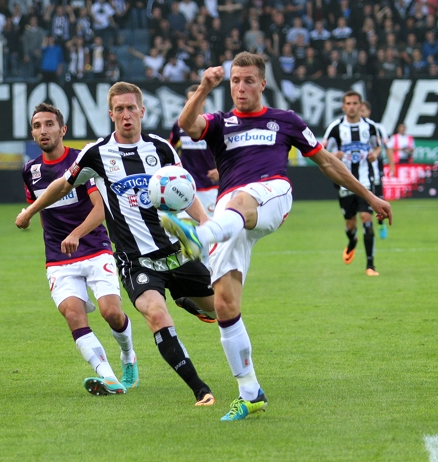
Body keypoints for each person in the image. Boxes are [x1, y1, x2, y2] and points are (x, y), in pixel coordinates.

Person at [159, 52, 392, 421]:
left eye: (248, 80)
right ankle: (250, 392)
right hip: (229, 215)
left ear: (263, 84)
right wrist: (205, 86)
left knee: (239, 200)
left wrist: (369, 195)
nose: (240, 87)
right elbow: (187, 124)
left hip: (271, 195)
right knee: (224, 305)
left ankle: (198, 237)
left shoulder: (285, 121)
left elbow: (328, 162)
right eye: (235, 81)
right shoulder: (220, 123)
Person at [15, 82, 218, 407]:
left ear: (142, 111)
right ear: (111, 114)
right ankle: (200, 389)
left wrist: (206, 223)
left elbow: (184, 191)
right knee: (155, 314)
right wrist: (29, 211)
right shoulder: (95, 153)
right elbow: (60, 185)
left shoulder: (161, 149)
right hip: (135, 261)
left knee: (223, 310)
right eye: (119, 109)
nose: (126, 115)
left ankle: (186, 297)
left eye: (131, 108)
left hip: (176, 252)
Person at [21, 103, 138, 396]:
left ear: (63, 130)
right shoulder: (30, 171)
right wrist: (28, 215)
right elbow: (40, 204)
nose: (43, 130)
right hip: (58, 259)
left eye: (49, 124)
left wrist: (76, 233)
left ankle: (128, 356)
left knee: (111, 312)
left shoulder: (81, 162)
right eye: (37, 126)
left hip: (95, 248)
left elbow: (101, 210)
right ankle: (109, 377)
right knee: (73, 314)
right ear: (33, 134)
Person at [323, 90, 384, 275]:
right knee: (351, 224)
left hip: (366, 180)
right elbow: (321, 152)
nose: (351, 107)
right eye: (348, 103)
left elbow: (378, 146)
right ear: (343, 107)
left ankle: (370, 265)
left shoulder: (371, 127)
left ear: (360, 106)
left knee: (366, 218)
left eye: (355, 103)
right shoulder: (335, 127)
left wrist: (375, 154)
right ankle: (351, 240)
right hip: (345, 183)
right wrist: (334, 155)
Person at [168, 84, 218, 219]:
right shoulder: (178, 125)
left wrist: (220, 170)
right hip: (185, 186)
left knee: (210, 228)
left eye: (198, 99)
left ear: (204, 100)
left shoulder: (213, 124)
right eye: (191, 100)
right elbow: (169, 148)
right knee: (185, 228)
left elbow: (227, 151)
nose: (194, 103)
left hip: (209, 186)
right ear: (186, 102)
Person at [360, 100, 394, 240]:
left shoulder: (377, 127)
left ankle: (380, 223)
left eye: (363, 110)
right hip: (357, 172)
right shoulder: (348, 128)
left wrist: (391, 165)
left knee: (378, 197)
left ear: (369, 112)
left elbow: (387, 146)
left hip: (373, 169)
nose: (361, 113)